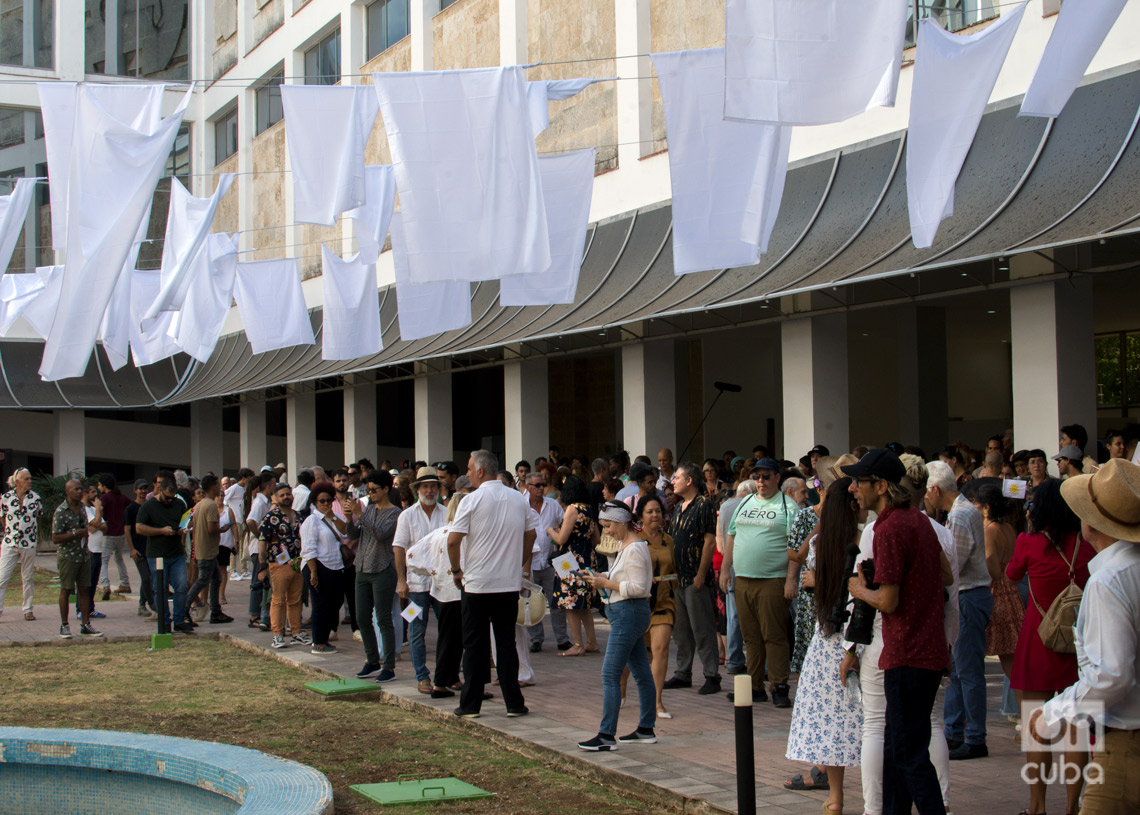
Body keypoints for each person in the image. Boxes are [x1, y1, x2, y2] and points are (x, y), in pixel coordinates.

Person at [843, 449, 947, 815]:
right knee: (897, 749)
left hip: (907, 653)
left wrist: (859, 590)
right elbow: (946, 575)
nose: (854, 488)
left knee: (908, 755)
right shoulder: (918, 520)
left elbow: (887, 600)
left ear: (882, 486)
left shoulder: (888, 528)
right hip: (927, 650)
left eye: (860, 482)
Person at [1037, 459, 1140, 815]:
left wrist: (1054, 711)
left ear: (1092, 522)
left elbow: (1113, 674)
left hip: (1128, 746)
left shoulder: (1110, 580)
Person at [1006, 478, 1094, 815]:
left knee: (1037, 726)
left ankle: (1037, 807)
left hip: (1038, 637)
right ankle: (1073, 807)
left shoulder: (1029, 542)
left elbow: (1012, 575)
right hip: (1078, 639)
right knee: (1076, 728)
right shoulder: (1086, 544)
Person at [784, 479, 863, 814]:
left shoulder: (856, 539)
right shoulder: (827, 540)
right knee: (840, 719)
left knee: (841, 719)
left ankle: (836, 797)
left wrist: (819, 580)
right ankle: (836, 796)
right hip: (836, 634)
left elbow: (849, 588)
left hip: (844, 636)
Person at [446, 449, 537, 718]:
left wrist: (455, 570)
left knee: (475, 645)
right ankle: (514, 703)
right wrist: (518, 563)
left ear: (481, 471)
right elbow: (531, 535)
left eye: (470, 469)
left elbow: (453, 540)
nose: (467, 473)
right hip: (507, 584)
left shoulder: (471, 500)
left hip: (477, 584)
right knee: (506, 643)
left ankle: (470, 704)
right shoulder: (518, 499)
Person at [578, 502, 657, 751]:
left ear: (622, 522)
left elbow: (639, 588)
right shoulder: (628, 546)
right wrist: (600, 579)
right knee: (642, 672)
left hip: (629, 613)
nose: (607, 531)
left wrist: (606, 582)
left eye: (609, 525)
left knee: (610, 674)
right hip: (626, 613)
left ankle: (606, 735)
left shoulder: (634, 547)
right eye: (603, 526)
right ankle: (646, 728)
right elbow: (624, 581)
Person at [927, 459, 992, 760]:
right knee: (957, 668)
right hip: (964, 594)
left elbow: (956, 563)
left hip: (969, 594)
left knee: (968, 669)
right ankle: (954, 731)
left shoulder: (962, 514)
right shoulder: (959, 511)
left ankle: (975, 735)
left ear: (936, 489)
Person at [721, 458, 796, 707]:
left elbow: (796, 546)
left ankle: (779, 685)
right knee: (751, 636)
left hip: (772, 579)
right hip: (743, 579)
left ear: (777, 477)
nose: (760, 481)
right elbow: (731, 536)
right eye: (757, 477)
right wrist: (724, 570)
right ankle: (754, 686)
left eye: (765, 476)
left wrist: (790, 579)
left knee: (774, 635)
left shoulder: (788, 506)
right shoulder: (745, 501)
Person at [663, 461, 721, 695]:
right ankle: (683, 672)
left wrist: (700, 574)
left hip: (696, 578)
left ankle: (711, 674)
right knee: (681, 630)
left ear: (689, 481)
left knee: (702, 628)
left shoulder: (703, 505)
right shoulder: (679, 507)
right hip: (678, 577)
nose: (672, 481)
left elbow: (709, 541)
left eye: (677, 477)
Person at [967, 480, 1022, 707]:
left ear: (986, 507)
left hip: (996, 593)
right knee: (1013, 661)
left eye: (977, 504)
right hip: (1011, 591)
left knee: (1004, 661)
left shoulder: (990, 531)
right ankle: (1024, 713)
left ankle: (1024, 715)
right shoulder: (1009, 528)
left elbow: (990, 561)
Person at [393, 466, 447, 690]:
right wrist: (401, 580)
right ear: (418, 489)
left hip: (443, 582)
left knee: (448, 629)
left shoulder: (446, 513)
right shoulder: (407, 515)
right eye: (425, 486)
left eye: (433, 486)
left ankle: (448, 674)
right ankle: (421, 675)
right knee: (416, 630)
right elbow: (399, 548)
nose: (430, 490)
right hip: (416, 583)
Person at [354, 469, 403, 682]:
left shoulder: (395, 513)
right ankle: (372, 660)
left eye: (374, 490)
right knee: (362, 617)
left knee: (383, 618)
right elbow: (352, 534)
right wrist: (350, 517)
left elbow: (381, 534)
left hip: (383, 568)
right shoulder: (368, 509)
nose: (370, 494)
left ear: (386, 489)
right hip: (362, 567)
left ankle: (389, 666)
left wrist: (360, 514)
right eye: (368, 490)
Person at [548, 475, 598, 656]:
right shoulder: (589, 509)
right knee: (584, 604)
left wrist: (551, 531)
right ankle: (591, 641)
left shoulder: (572, 509)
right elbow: (597, 539)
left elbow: (561, 539)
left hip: (569, 559)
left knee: (569, 601)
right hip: (587, 557)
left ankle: (577, 644)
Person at [636, 494, 676, 720]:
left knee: (661, 649)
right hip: (640, 603)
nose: (654, 515)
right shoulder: (635, 540)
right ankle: (622, 687)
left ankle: (656, 700)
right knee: (636, 653)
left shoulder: (668, 540)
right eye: (650, 511)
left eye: (658, 511)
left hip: (664, 601)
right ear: (641, 516)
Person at [136, 475, 192, 634]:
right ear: (160, 490)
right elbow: (139, 528)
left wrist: (183, 530)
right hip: (157, 554)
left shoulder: (179, 504)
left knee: (181, 586)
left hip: (176, 552)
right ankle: (164, 621)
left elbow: (185, 522)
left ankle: (180, 620)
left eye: (172, 498)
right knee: (160, 588)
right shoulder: (148, 506)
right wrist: (161, 531)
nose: (169, 501)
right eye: (167, 497)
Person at [523, 471, 571, 653]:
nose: (541, 488)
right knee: (530, 602)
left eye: (543, 485)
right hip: (530, 563)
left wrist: (557, 542)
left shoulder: (552, 505)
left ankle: (562, 638)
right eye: (537, 485)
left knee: (557, 602)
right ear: (528, 487)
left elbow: (563, 525)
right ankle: (536, 638)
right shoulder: (521, 506)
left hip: (550, 563)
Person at [716, 480, 757, 682]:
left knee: (732, 616)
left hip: (728, 564)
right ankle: (755, 660)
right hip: (746, 566)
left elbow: (721, 539)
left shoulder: (725, 506)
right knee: (752, 616)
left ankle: (733, 659)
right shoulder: (750, 505)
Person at [51, 478, 102, 639]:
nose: (80, 492)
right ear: (68, 492)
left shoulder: (81, 507)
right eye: (76, 489)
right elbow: (55, 537)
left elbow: (87, 528)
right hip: (68, 556)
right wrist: (74, 534)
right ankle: (64, 625)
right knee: (66, 589)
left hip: (83, 555)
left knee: (84, 589)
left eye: (81, 489)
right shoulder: (61, 511)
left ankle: (85, 624)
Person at [300, 481, 347, 654]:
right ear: (315, 502)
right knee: (320, 605)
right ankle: (318, 642)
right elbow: (308, 549)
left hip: (335, 565)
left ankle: (325, 638)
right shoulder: (311, 521)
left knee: (335, 602)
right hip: (318, 565)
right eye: (322, 501)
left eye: (328, 500)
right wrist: (313, 572)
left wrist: (333, 516)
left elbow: (345, 532)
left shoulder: (332, 518)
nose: (326, 504)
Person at [260, 482, 308, 649]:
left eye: (288, 494)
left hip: (298, 563)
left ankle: (296, 632)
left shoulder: (299, 516)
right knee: (278, 600)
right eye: (282, 495)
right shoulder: (271, 517)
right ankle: (277, 634)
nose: (286, 497)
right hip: (278, 563)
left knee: (295, 599)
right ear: (275, 498)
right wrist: (262, 565)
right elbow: (262, 541)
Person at [186, 474, 234, 626]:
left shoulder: (199, 505)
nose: (219, 488)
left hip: (204, 549)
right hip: (208, 550)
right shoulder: (211, 505)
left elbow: (193, 525)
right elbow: (211, 528)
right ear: (213, 487)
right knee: (202, 580)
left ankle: (215, 611)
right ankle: (184, 609)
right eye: (217, 485)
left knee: (215, 578)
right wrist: (224, 529)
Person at [0, 468, 41, 621]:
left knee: (28, 578)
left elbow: (38, 517)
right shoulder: (6, 498)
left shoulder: (36, 498)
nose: (29, 481)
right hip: (10, 543)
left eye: (30, 478)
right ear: (17, 482)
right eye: (26, 479)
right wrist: (11, 530)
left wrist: (29, 532)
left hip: (28, 543)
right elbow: (2, 517)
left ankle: (28, 609)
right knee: (2, 577)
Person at [244, 472, 275, 630]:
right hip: (258, 548)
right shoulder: (260, 502)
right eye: (274, 483)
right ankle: (254, 614)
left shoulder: (266, 501)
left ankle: (262, 613)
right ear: (269, 485)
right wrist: (259, 535)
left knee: (264, 582)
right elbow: (250, 521)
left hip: (263, 547)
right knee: (258, 581)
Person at [95, 474, 132, 599]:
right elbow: (131, 505)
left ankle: (106, 585)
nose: (98, 487)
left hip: (109, 533)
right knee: (119, 558)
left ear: (104, 486)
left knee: (104, 560)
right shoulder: (120, 496)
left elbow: (100, 510)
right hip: (120, 533)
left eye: (99, 485)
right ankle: (125, 583)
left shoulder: (104, 497)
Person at [124, 479, 156, 618]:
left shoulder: (150, 507)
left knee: (149, 578)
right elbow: (127, 529)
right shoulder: (130, 509)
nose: (143, 491)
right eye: (140, 489)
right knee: (146, 578)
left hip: (150, 549)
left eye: (145, 488)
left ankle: (141, 605)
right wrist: (131, 549)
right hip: (138, 551)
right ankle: (152, 604)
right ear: (135, 490)